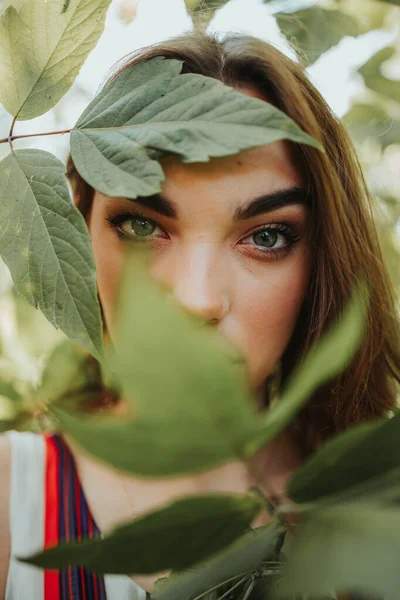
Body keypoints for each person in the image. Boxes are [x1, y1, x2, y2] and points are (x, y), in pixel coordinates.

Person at [0, 30, 399, 600]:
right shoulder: (11, 503)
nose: (196, 299)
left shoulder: (379, 509)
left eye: (266, 236)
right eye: (141, 226)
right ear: (79, 231)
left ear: (323, 264)